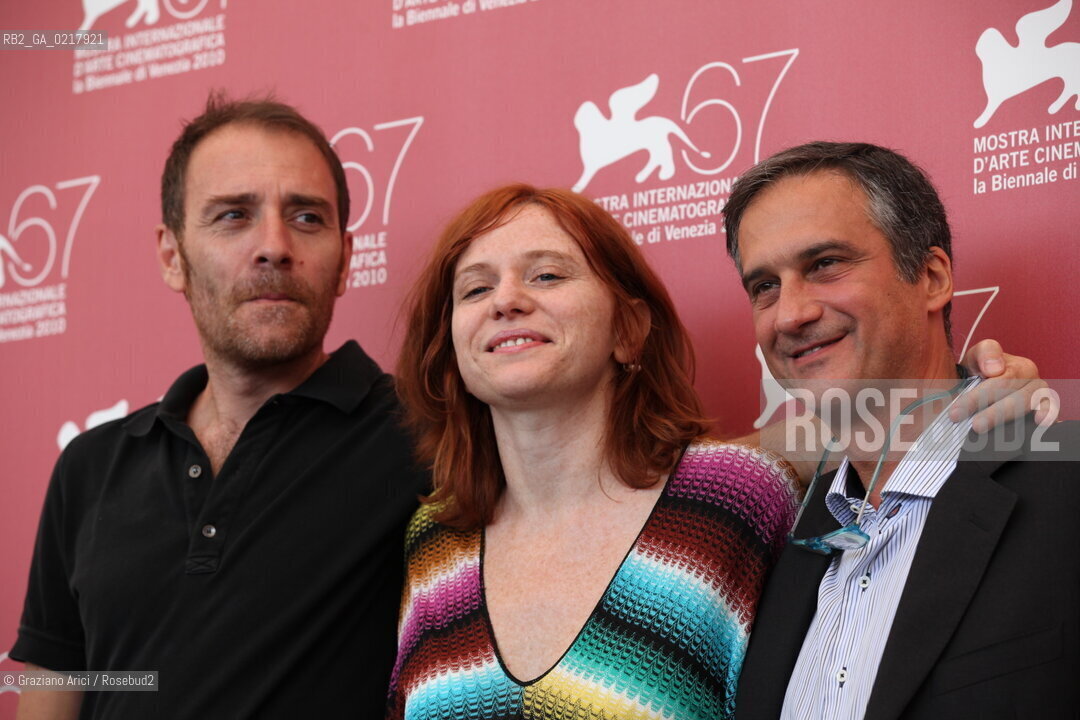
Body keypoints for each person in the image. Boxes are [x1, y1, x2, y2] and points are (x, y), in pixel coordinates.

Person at [383, 183, 1037, 719]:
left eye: (547, 274)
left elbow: (888, 419)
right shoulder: (437, 536)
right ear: (452, 344)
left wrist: (977, 387)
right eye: (474, 289)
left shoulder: (734, 492)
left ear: (630, 328)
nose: (506, 301)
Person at [9, 94, 427, 719]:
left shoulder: (424, 436)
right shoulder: (90, 467)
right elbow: (52, 689)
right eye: (233, 215)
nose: (274, 246)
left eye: (307, 218)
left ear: (345, 259)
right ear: (172, 255)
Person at [727, 142, 1078, 718]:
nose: (790, 314)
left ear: (933, 276)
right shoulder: (771, 536)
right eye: (764, 285)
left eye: (825, 264)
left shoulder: (1064, 487)